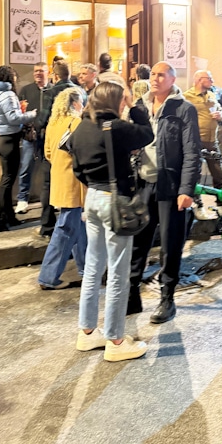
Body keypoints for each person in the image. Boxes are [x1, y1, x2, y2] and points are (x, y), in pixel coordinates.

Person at [69, 82, 155, 361]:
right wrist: (135, 107)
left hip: (92, 197)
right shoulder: (115, 128)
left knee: (93, 268)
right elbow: (147, 134)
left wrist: (94, 185)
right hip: (114, 200)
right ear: (114, 102)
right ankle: (116, 341)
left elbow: (78, 168)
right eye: (121, 100)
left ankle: (87, 331)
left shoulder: (81, 127)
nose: (123, 104)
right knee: (118, 272)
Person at [128, 62, 202, 323]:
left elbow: (193, 152)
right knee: (138, 242)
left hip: (170, 186)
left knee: (170, 245)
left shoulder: (183, 109)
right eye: (153, 75)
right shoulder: (139, 108)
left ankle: (167, 298)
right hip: (143, 183)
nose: (155, 79)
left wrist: (186, 189)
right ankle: (131, 294)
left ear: (172, 79)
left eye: (161, 75)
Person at [38, 87, 88, 290]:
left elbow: (48, 153)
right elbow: (84, 152)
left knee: (79, 227)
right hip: (74, 182)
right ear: (76, 103)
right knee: (66, 228)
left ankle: (87, 269)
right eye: (82, 102)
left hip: (59, 179)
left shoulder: (53, 123)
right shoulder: (76, 123)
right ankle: (48, 276)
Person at [0, 65, 38, 232]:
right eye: (14, 76)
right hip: (10, 141)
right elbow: (14, 118)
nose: (16, 79)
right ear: (9, 78)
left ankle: (8, 217)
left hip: (3, 140)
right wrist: (31, 114)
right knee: (7, 182)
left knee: (6, 181)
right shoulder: (8, 95)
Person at [33, 61, 80, 234]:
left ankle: (47, 224)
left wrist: (35, 126)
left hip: (54, 143)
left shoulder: (52, 92)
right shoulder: (79, 91)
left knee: (48, 184)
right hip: (74, 145)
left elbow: (43, 119)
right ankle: (73, 224)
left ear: (56, 75)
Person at [182, 69, 222, 190]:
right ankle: (196, 201)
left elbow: (221, 111)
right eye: (209, 78)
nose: (212, 81)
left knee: (218, 173)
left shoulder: (212, 95)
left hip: (212, 140)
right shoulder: (186, 97)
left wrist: (220, 115)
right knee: (194, 172)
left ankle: (220, 201)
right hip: (195, 140)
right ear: (200, 80)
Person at [16, 62, 49, 215]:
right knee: (26, 166)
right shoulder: (26, 90)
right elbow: (19, 111)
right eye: (36, 71)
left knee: (50, 168)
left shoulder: (53, 90)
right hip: (30, 136)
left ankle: (50, 200)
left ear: (47, 72)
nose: (38, 74)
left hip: (49, 136)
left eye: (41, 71)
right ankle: (22, 199)